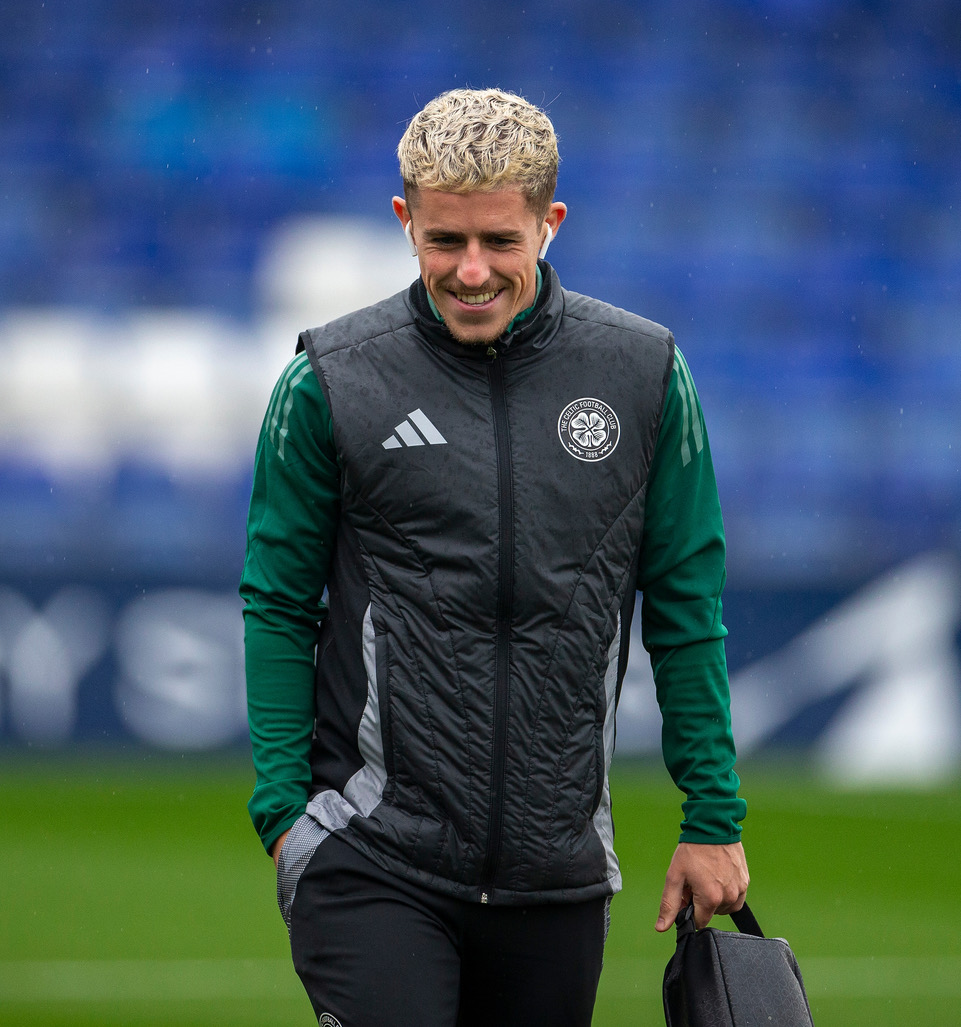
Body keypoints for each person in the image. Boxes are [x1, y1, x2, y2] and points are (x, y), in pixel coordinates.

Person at [240, 87, 748, 1027]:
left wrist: (712, 817)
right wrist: (282, 814)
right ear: (405, 221)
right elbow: (277, 600)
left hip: (556, 875)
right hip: (371, 854)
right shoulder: (329, 380)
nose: (470, 271)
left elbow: (687, 610)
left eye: (499, 242)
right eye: (444, 241)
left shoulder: (643, 374)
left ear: (550, 224)